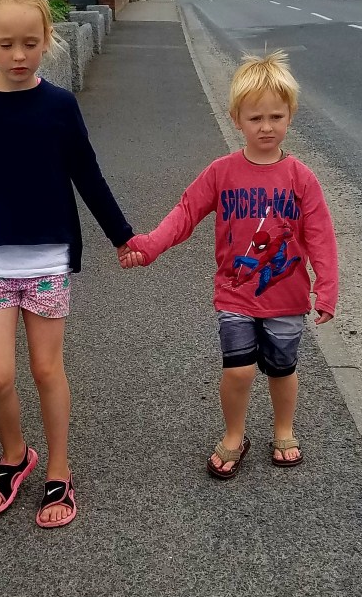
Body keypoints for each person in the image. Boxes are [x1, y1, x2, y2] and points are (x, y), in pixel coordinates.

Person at [0, 0, 132, 527]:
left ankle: (59, 471)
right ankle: (15, 455)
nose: (19, 55)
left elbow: (87, 175)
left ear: (47, 38)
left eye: (30, 42)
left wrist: (122, 236)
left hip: (47, 263)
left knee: (47, 370)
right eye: (6, 44)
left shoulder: (59, 106)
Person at [120, 51, 337, 477]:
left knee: (282, 369)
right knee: (238, 371)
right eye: (255, 118)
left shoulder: (301, 178)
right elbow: (185, 213)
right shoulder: (222, 172)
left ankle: (284, 429)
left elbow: (320, 237)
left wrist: (326, 288)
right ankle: (235, 434)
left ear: (290, 115)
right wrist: (149, 245)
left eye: (276, 117)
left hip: (287, 297)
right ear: (236, 119)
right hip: (235, 292)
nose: (266, 127)